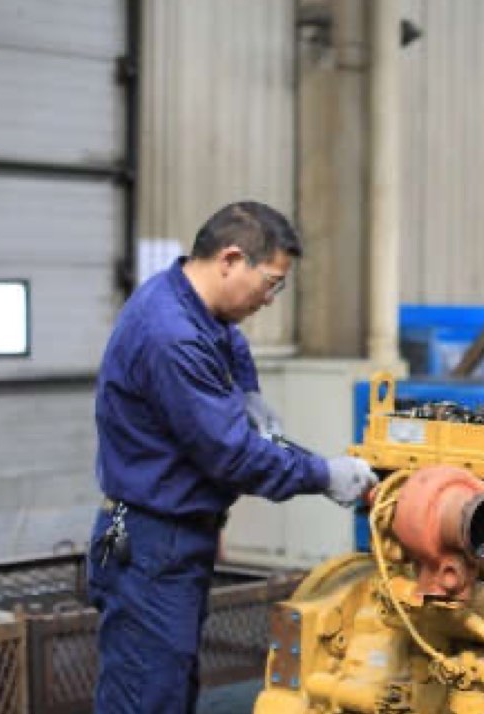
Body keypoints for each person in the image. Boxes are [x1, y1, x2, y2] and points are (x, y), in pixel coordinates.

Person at [86, 201, 377, 713]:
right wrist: (324, 475)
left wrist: (248, 392)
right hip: (153, 545)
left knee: (170, 684)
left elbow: (230, 341)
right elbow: (233, 455)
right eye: (271, 283)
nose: (269, 299)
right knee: (148, 696)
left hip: (174, 536)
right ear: (231, 259)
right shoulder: (171, 335)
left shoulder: (185, 301)